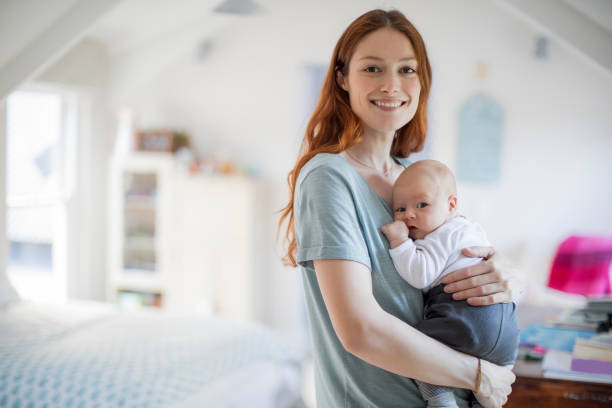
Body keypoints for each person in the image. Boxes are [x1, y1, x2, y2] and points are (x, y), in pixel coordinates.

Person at [278, 9, 523, 408]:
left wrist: (509, 276)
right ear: (342, 78)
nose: (392, 85)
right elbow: (360, 331)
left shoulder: (413, 177)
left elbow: (461, 249)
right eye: (372, 68)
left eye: (407, 69)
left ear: (422, 81)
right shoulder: (329, 177)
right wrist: (480, 376)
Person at [381, 159, 520, 407]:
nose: (409, 214)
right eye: (400, 209)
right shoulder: (469, 228)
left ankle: (439, 398)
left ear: (451, 204)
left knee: (415, 347)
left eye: (422, 205)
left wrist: (400, 243)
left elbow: (420, 275)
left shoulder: (438, 236)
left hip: (467, 320)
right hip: (505, 334)